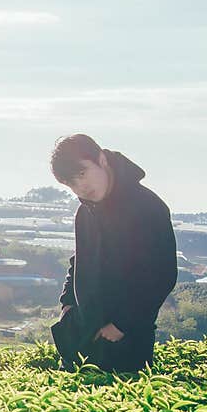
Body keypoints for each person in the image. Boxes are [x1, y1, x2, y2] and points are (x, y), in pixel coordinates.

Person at [48, 134, 177, 373]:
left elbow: (163, 275)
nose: (80, 187)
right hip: (82, 333)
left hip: (124, 339)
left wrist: (121, 325)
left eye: (82, 173)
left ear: (102, 159)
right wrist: (66, 304)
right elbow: (78, 262)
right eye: (71, 183)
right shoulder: (84, 212)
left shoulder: (148, 207)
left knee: (121, 406)